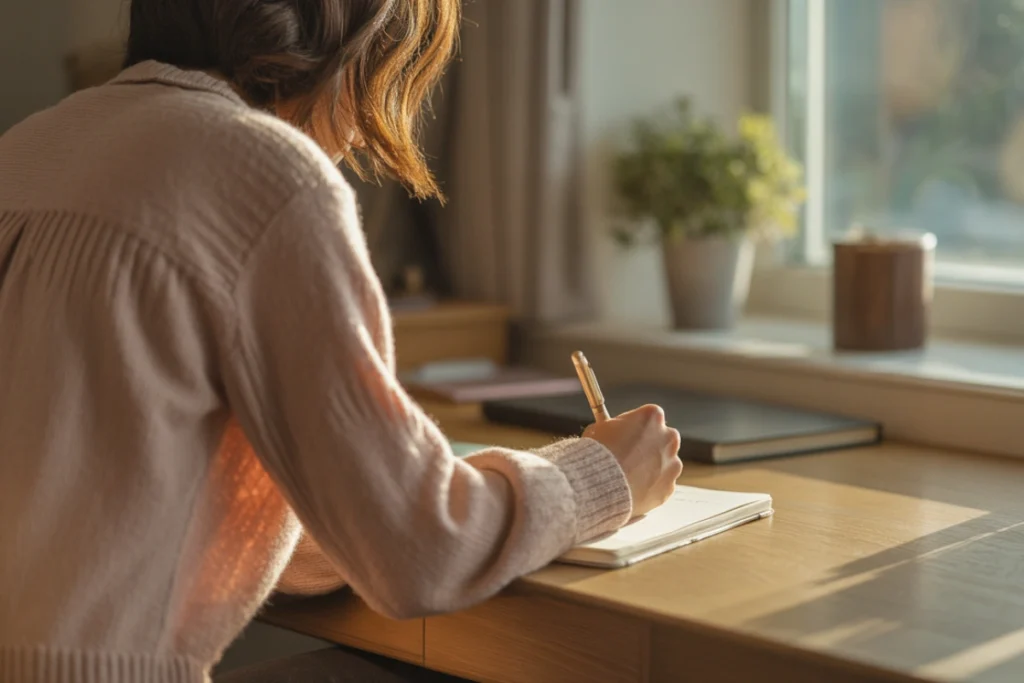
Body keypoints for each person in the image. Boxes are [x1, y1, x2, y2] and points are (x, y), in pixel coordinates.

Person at [0, 1, 683, 681]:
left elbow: (110, 505)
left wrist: (356, 513)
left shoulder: (25, 148)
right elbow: (421, 553)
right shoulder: (263, 172)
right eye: (380, 58)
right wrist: (602, 475)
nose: (361, 129)